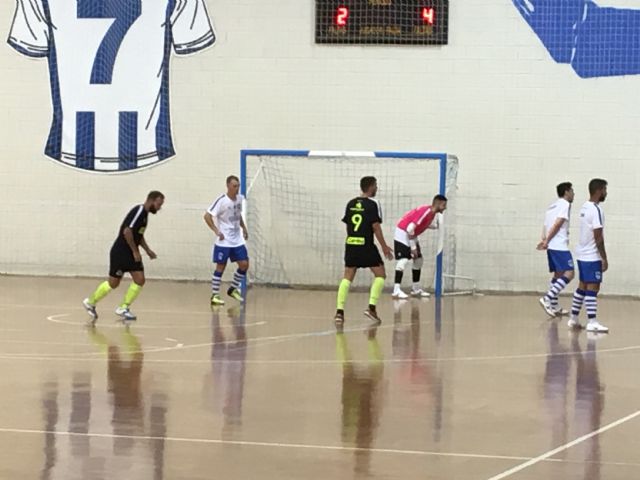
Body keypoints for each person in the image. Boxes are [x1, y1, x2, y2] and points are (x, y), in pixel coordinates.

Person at [83, 191, 165, 323]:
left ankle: (123, 307)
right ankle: (90, 302)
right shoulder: (139, 211)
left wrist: (147, 250)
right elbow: (127, 231)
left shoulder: (145, 215)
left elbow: (138, 234)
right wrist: (135, 251)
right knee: (113, 283)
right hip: (121, 252)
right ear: (151, 201)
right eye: (159, 204)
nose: (159, 208)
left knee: (140, 279)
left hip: (131, 252)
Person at [335, 176, 393, 327]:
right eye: (376, 186)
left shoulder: (350, 203)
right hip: (366, 244)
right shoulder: (372, 204)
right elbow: (376, 227)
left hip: (351, 244)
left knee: (347, 277)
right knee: (380, 274)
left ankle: (339, 313)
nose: (377, 188)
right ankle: (371, 308)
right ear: (371, 187)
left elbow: (348, 226)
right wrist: (384, 246)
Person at [569, 179, 609, 333]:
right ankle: (592, 321)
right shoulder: (596, 210)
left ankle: (573, 318)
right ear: (599, 190)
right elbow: (598, 236)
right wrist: (604, 257)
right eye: (605, 189)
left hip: (581, 253)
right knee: (593, 287)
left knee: (582, 286)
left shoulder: (584, 207)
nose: (606, 193)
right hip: (592, 255)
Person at [204, 175, 249, 306]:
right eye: (234, 186)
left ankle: (233, 288)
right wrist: (216, 230)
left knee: (244, 264)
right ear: (228, 186)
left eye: (238, 186)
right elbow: (207, 216)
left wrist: (244, 228)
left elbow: (238, 214)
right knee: (220, 267)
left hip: (237, 240)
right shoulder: (221, 201)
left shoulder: (239, 199)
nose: (237, 188)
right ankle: (215, 295)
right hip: (224, 241)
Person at [392, 195, 448, 299]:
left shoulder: (431, 213)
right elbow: (409, 229)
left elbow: (422, 224)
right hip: (403, 232)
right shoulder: (426, 212)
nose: (445, 208)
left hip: (411, 234)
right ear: (438, 203)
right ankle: (396, 290)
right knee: (403, 260)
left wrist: (435, 226)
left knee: (418, 260)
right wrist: (413, 247)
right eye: (444, 205)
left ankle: (415, 289)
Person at [537, 182, 575, 316]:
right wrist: (547, 240)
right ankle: (547, 299)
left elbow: (545, 225)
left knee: (558, 275)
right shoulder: (565, 204)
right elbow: (558, 223)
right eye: (572, 191)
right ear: (566, 192)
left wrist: (544, 240)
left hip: (552, 246)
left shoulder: (551, 206)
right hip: (559, 245)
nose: (573, 194)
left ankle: (555, 306)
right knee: (570, 273)